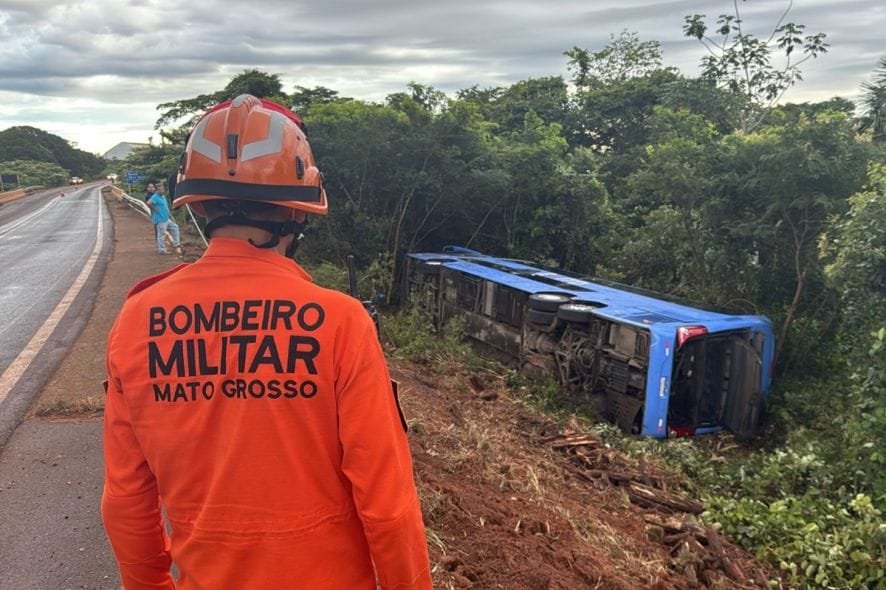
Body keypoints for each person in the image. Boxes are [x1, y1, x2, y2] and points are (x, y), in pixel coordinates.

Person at [101, 94, 432, 590]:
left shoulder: (137, 320)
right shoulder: (339, 322)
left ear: (198, 204)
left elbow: (127, 498)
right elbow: (387, 503)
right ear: (298, 214)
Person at [146, 183, 183, 256]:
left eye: (162, 189)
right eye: (159, 190)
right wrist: (155, 210)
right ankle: (162, 250)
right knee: (161, 235)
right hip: (160, 219)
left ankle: (177, 244)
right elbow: (149, 203)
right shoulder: (155, 197)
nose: (161, 191)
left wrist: (171, 216)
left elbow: (166, 208)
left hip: (166, 218)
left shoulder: (163, 196)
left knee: (175, 227)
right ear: (156, 191)